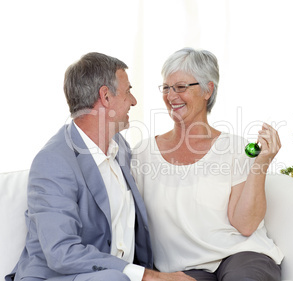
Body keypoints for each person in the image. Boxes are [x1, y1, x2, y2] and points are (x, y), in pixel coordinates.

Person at [6, 52, 195, 281]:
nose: (134, 101)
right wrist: (146, 276)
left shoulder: (120, 147)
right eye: (128, 91)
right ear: (105, 96)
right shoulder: (53, 162)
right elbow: (61, 253)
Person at [131, 48, 284, 281]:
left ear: (207, 90)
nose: (171, 96)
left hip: (240, 256)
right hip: (183, 269)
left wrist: (260, 164)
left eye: (181, 87)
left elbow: (245, 225)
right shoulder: (142, 154)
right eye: (166, 88)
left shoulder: (235, 148)